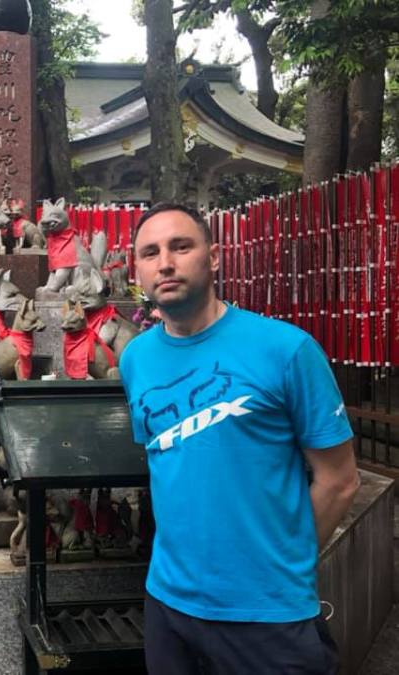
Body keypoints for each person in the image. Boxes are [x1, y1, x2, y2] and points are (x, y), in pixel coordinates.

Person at [119, 203, 359, 674]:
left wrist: (284, 567)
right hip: (168, 604)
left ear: (214, 258)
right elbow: (167, 460)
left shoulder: (286, 349)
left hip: (268, 615)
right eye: (150, 252)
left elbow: (339, 480)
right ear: (138, 270)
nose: (165, 263)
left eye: (180, 246)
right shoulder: (136, 358)